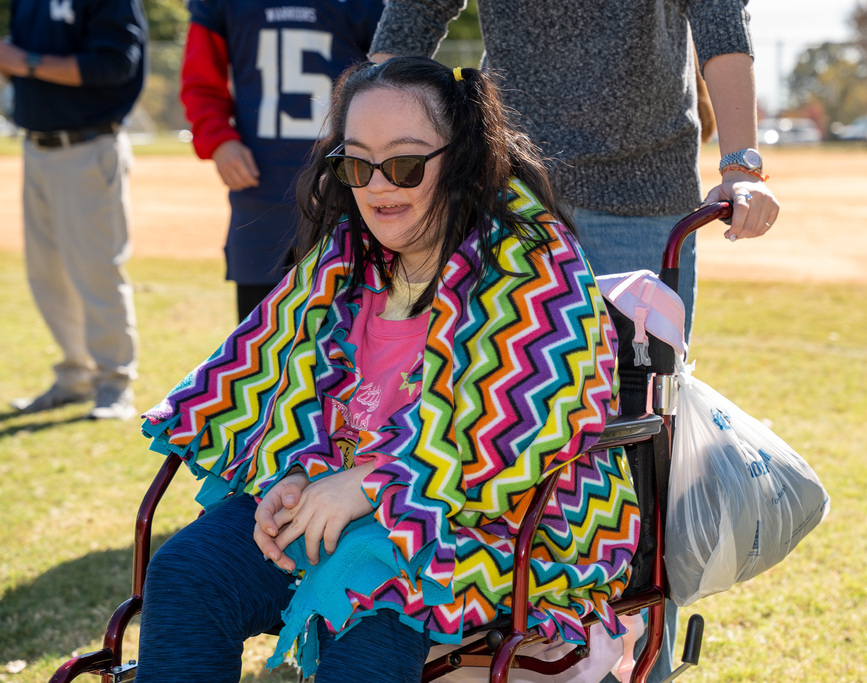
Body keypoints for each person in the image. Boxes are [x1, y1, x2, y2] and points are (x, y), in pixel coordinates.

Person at [135, 56, 640, 682]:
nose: (377, 186)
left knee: (370, 609)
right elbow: (288, 391)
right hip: (332, 498)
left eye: (404, 163)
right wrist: (291, 475)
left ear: (461, 158)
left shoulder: (532, 266)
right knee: (189, 570)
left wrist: (372, 485)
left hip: (476, 523)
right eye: (356, 163)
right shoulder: (343, 259)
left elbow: (532, 429)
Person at [368, 2, 780, 679]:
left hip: (641, 196)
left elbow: (719, 23)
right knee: (494, 418)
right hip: (507, 193)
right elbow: (406, 26)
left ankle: (645, 659)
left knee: (639, 441)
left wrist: (742, 163)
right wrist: (365, 152)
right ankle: (498, 645)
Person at [180, 0, 385, 322]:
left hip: (343, 186)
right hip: (260, 191)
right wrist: (219, 141)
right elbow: (200, 81)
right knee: (259, 333)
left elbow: (388, 76)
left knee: (349, 325)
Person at [1, 0, 146, 420]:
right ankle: (74, 377)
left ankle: (114, 384)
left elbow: (114, 65)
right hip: (36, 147)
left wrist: (24, 62)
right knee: (46, 273)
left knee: (96, 270)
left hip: (88, 147)